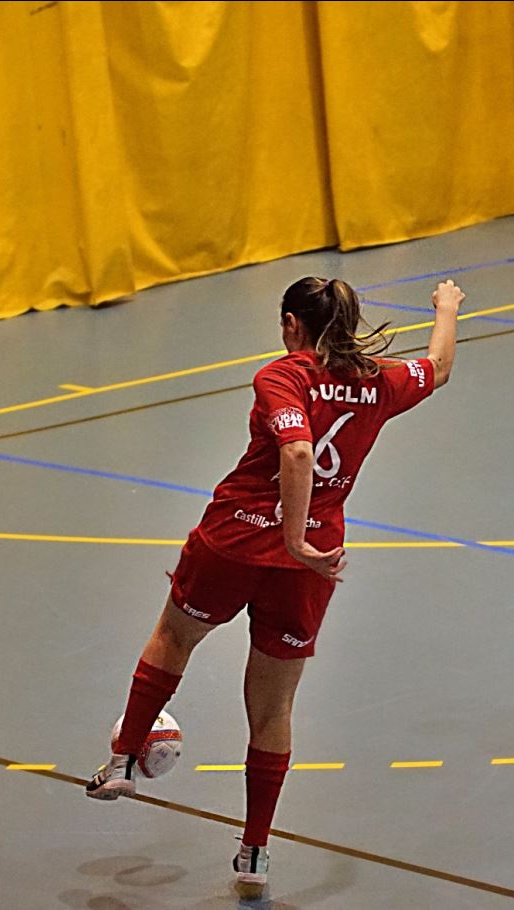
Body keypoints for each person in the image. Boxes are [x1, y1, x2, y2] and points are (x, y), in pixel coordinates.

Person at [85, 276, 465, 897]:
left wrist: (290, 535)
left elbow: (296, 452)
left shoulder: (284, 374)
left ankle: (125, 758)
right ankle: (254, 854)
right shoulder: (381, 381)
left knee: (174, 636)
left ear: (293, 325)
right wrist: (446, 308)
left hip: (237, 540)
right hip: (312, 567)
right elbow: (440, 367)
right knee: (273, 707)